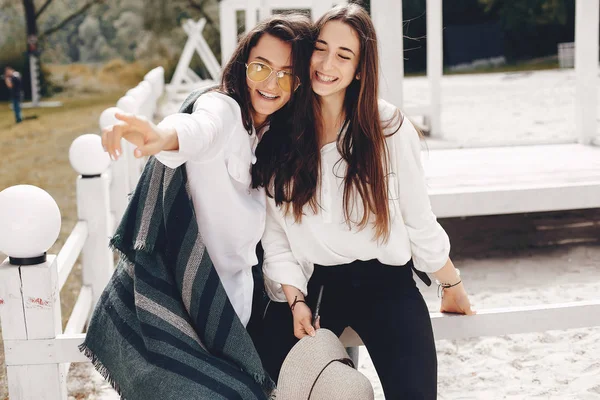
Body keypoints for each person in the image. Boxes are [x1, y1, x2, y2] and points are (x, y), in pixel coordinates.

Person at [253, 4, 475, 399]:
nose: (326, 64)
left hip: (386, 284)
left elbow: (417, 219)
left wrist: (451, 283)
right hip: (317, 286)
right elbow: (275, 235)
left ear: (359, 69)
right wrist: (296, 300)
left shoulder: (387, 127)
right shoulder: (281, 134)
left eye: (344, 55)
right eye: (320, 49)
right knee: (269, 381)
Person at [87, 14, 314, 400]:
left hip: (236, 313)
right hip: (186, 308)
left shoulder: (273, 138)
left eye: (286, 74)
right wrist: (161, 136)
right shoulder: (222, 109)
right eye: (261, 67)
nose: (270, 84)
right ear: (243, 65)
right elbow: (199, 131)